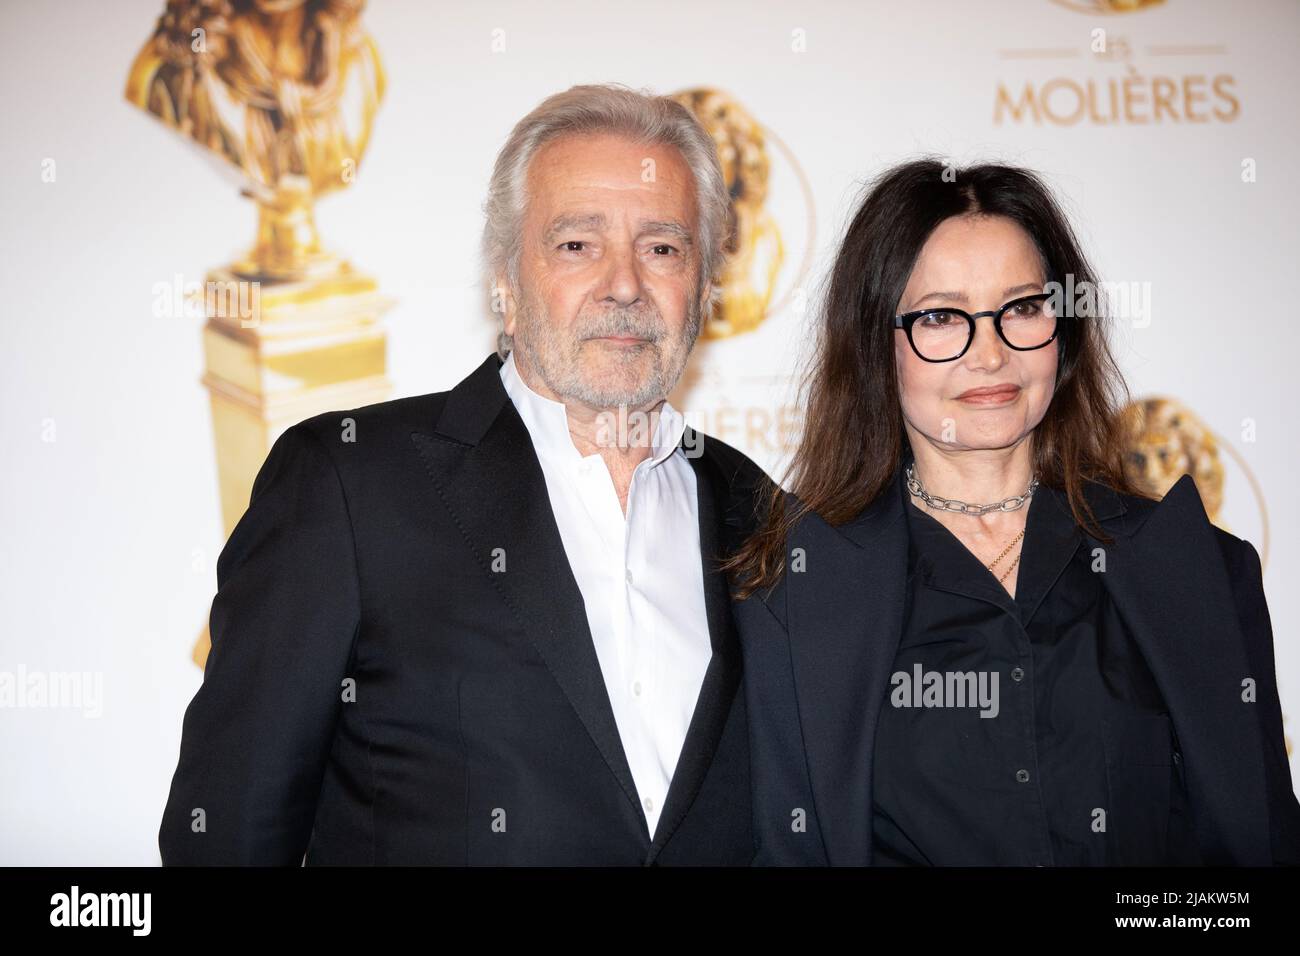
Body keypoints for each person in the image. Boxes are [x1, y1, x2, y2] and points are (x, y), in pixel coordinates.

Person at [159, 83, 764, 865]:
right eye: (576, 244)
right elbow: (228, 836)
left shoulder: (761, 514)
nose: (624, 284)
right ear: (506, 284)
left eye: (662, 247)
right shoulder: (346, 486)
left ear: (704, 286)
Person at [726, 158, 1300, 866]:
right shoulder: (790, 596)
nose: (991, 354)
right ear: (877, 345)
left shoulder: (1199, 571)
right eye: (941, 317)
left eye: (1023, 308)